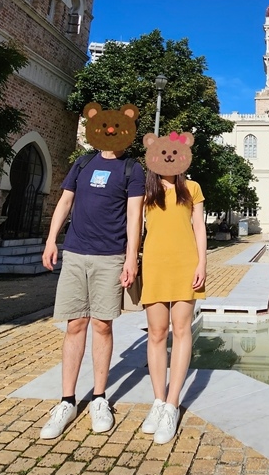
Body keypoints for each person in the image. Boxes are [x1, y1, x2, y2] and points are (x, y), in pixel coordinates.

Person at [39, 103, 145, 440]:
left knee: (102, 325)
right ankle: (66, 400)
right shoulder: (82, 163)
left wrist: (132, 257)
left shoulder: (133, 169)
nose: (111, 132)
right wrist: (51, 240)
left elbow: (134, 217)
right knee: (75, 324)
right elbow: (65, 201)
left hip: (110, 256)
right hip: (75, 253)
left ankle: (100, 397)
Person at [138, 130, 207, 445]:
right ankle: (157, 400)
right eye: (162, 153)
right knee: (156, 333)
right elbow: (132, 226)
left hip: (185, 264)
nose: (168, 158)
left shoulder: (191, 188)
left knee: (181, 331)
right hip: (153, 264)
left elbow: (199, 227)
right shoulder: (145, 189)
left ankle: (172, 404)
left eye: (174, 153)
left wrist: (202, 264)